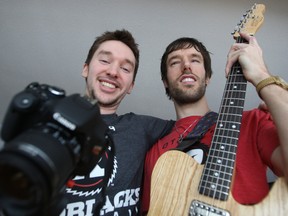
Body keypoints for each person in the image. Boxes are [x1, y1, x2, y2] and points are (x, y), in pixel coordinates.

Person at [141, 32, 288, 213]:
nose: (186, 65)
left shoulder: (252, 122)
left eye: (195, 60)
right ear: (165, 82)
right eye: (174, 62)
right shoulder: (154, 151)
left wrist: (261, 75)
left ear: (208, 77)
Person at [59, 29, 174, 216]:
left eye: (125, 68)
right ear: (85, 68)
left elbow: (198, 123)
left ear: (131, 86)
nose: (113, 72)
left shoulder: (142, 128)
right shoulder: (49, 122)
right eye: (105, 60)